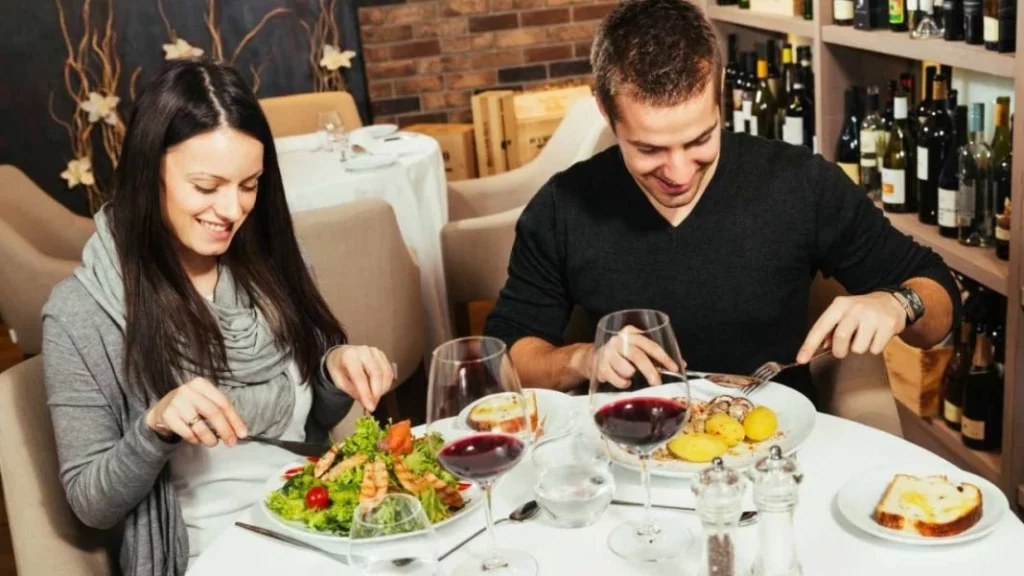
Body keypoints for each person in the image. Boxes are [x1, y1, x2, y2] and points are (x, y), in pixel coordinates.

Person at [484, 0, 960, 404]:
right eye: (649, 149)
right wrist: (584, 357)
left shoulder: (800, 183)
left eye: (699, 140)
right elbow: (507, 357)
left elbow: (939, 294)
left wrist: (899, 302)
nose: (678, 172)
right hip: (631, 458)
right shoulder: (563, 206)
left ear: (722, 95)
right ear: (605, 110)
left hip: (775, 455)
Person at [41, 59, 394, 575]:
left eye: (249, 185)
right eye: (207, 186)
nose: (231, 210)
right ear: (148, 172)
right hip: (211, 554)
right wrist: (156, 425)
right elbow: (92, 504)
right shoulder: (81, 313)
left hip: (322, 523)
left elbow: (313, 422)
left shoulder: (273, 264)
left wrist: (332, 370)